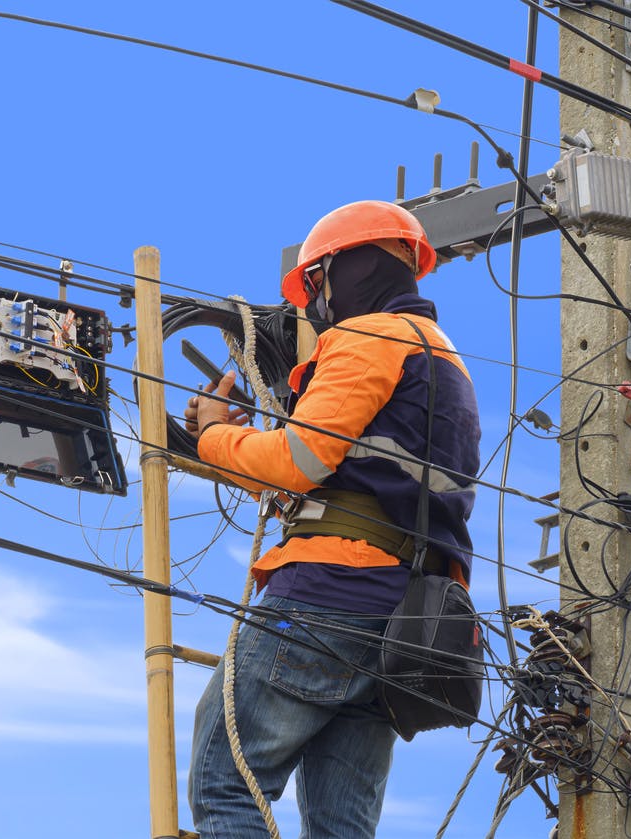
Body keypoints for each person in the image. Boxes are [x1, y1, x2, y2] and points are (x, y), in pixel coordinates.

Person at [183, 200, 481, 839]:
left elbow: (296, 461)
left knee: (225, 781)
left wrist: (210, 438)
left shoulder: (369, 336)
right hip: (405, 623)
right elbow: (361, 471)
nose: (316, 305)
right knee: (342, 827)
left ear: (352, 267)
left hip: (330, 592)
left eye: (317, 283)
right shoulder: (447, 360)